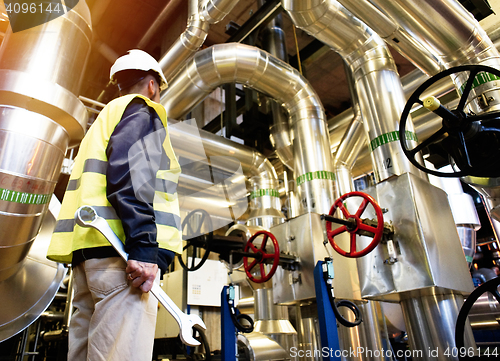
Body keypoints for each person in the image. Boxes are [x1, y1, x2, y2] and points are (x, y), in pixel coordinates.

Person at [47, 49, 182, 361]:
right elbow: (130, 175)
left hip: (89, 258)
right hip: (122, 260)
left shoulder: (104, 120)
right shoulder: (143, 111)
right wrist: (144, 248)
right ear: (152, 86)